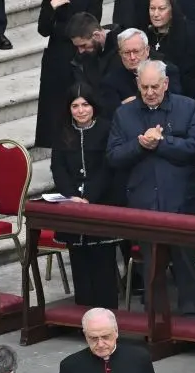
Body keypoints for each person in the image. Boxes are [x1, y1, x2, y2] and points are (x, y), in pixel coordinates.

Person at [107, 59, 195, 315]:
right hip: (143, 203)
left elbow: (194, 148)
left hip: (181, 202)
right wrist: (140, 144)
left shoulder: (188, 107)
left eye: (155, 86)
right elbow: (114, 156)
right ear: (137, 85)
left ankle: (192, 319)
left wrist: (161, 142)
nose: (150, 93)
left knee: (186, 264)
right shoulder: (124, 114)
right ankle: (155, 320)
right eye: (144, 87)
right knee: (151, 267)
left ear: (166, 83)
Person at [50, 84, 122, 307]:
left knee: (103, 265)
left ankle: (108, 316)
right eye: (75, 106)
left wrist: (89, 195)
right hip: (72, 206)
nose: (80, 111)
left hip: (101, 203)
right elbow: (58, 168)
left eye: (85, 105)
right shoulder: (62, 132)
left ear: (93, 106)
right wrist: (71, 196)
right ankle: (84, 315)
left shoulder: (107, 128)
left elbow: (107, 167)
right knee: (80, 265)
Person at [37, 2, 108, 150]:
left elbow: (91, 25)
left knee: (84, 106)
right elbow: (43, 29)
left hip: (83, 58)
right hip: (58, 62)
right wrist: (51, 7)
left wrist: (61, 28)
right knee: (57, 114)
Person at [99, 28, 181, 116]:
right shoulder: (111, 81)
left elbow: (176, 103)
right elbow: (112, 115)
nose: (132, 57)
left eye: (136, 51)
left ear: (147, 50)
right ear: (120, 54)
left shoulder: (167, 71)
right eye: (127, 53)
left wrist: (134, 103)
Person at [142, 0, 195, 98]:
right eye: (152, 8)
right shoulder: (145, 36)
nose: (155, 14)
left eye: (161, 9)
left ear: (172, 10)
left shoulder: (187, 36)